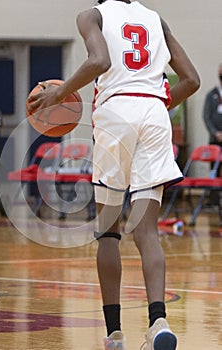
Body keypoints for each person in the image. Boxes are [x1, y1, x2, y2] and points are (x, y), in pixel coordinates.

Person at [27, 1, 200, 349]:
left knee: (108, 233)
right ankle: (158, 322)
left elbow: (99, 62)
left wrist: (57, 94)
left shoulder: (92, 14)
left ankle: (115, 334)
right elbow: (192, 80)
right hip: (153, 115)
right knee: (147, 231)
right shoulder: (155, 19)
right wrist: (153, 103)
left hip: (116, 114)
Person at [203, 63, 222, 206]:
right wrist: (215, 133)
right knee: (214, 171)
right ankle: (213, 200)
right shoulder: (211, 94)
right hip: (214, 140)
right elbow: (206, 116)